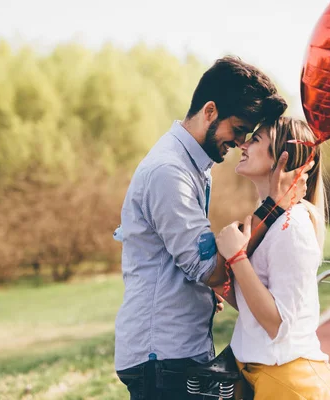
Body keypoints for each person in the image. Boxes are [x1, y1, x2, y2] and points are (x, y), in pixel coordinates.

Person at [114, 56, 313, 399]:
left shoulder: (194, 166)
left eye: (247, 135)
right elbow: (209, 269)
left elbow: (201, 267)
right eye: (237, 130)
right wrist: (273, 207)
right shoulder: (170, 172)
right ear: (209, 111)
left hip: (178, 352)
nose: (239, 143)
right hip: (162, 357)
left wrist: (209, 290)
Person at [215, 117, 330, 399]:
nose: (243, 144)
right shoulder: (270, 220)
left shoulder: (292, 227)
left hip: (287, 381)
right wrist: (222, 284)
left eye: (255, 140)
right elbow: (254, 307)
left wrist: (237, 258)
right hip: (262, 373)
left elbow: (277, 324)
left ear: (282, 158)